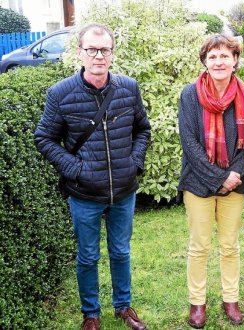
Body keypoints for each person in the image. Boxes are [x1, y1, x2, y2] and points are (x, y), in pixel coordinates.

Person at [34, 23, 150, 330]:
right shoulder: (60, 94)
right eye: (92, 49)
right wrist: (76, 169)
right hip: (84, 193)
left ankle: (123, 307)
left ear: (112, 52)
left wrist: (133, 162)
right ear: (80, 52)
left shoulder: (129, 88)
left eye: (104, 49)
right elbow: (44, 137)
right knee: (87, 256)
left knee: (121, 251)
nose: (98, 56)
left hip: (123, 190)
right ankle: (91, 313)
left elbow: (143, 129)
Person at [178, 35, 244, 329]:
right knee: (199, 246)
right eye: (212, 57)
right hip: (198, 183)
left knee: (229, 245)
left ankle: (230, 299)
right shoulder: (189, 94)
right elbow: (189, 142)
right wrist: (219, 178)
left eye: (225, 56)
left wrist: (232, 176)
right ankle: (197, 303)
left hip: (234, 183)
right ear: (205, 62)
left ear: (235, 60)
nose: (219, 62)